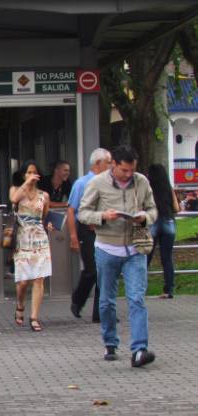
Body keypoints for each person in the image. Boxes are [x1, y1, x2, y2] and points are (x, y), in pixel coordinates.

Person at [78, 145, 157, 366]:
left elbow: (153, 209)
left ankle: (139, 350)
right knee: (106, 301)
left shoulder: (142, 182)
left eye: (132, 170)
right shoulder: (97, 183)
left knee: (137, 298)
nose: (128, 174)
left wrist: (145, 218)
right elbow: (83, 213)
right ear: (113, 165)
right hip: (107, 248)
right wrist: (103, 216)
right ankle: (110, 342)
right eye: (124, 170)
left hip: (135, 249)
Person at [68, 148, 112, 322]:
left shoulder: (109, 182)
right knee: (92, 270)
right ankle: (78, 299)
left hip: (104, 230)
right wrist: (73, 236)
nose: (111, 165)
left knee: (104, 270)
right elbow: (72, 210)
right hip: (86, 231)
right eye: (108, 162)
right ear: (98, 163)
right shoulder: (82, 183)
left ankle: (101, 312)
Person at [10, 161, 53, 332]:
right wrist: (26, 183)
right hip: (22, 239)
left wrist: (48, 225)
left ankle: (34, 317)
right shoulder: (16, 190)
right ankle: (20, 304)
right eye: (28, 172)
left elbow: (44, 216)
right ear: (23, 175)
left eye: (34, 172)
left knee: (39, 279)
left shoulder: (44, 195)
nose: (32, 175)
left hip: (40, 240)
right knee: (23, 282)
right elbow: (14, 199)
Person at [146, 164, 180, 299]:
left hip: (153, 222)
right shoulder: (168, 188)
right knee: (167, 258)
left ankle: (140, 288)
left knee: (146, 257)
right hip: (168, 222)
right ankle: (169, 290)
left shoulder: (148, 188)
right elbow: (176, 208)